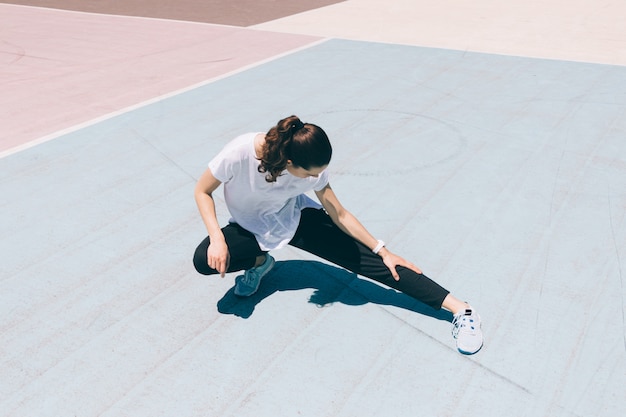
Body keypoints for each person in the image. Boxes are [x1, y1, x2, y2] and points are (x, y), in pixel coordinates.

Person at [193, 115, 483, 355]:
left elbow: (339, 213)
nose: (314, 179)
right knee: (204, 259)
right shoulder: (241, 152)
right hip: (250, 227)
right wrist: (217, 238)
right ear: (289, 163)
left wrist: (382, 250)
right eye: (309, 175)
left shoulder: (311, 168)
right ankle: (259, 262)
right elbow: (202, 191)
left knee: (380, 266)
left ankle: (461, 309)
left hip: (295, 219)